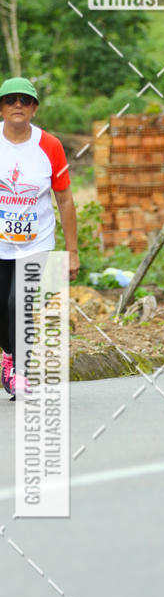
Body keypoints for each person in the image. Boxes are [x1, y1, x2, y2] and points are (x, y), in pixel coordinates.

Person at [0, 77, 79, 398]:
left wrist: (72, 251)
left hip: (37, 243)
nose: (17, 105)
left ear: (33, 108)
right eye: (10, 100)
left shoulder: (50, 146)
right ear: (1, 107)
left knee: (19, 303)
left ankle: (20, 369)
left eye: (25, 100)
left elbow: (65, 200)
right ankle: (7, 355)